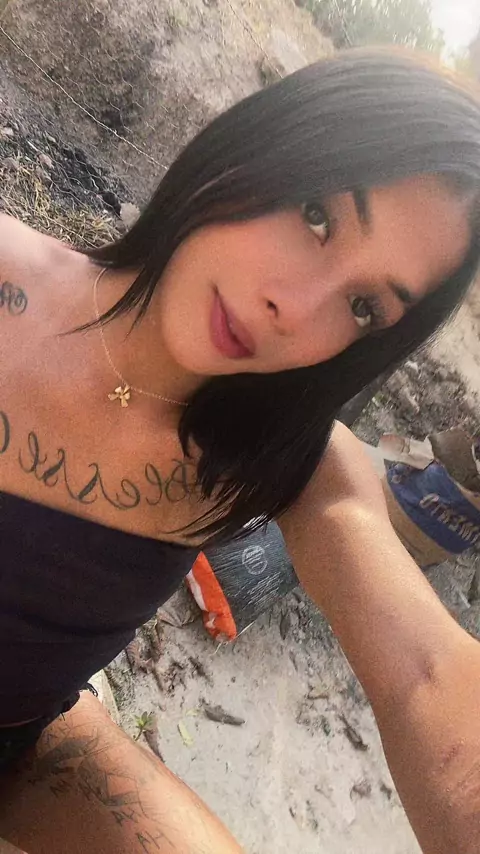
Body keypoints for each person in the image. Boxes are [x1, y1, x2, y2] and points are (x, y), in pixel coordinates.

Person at [0, 45, 479, 847]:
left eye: (364, 306)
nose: (296, 305)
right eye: (318, 215)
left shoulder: (290, 465)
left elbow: (431, 680)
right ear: (266, 140)